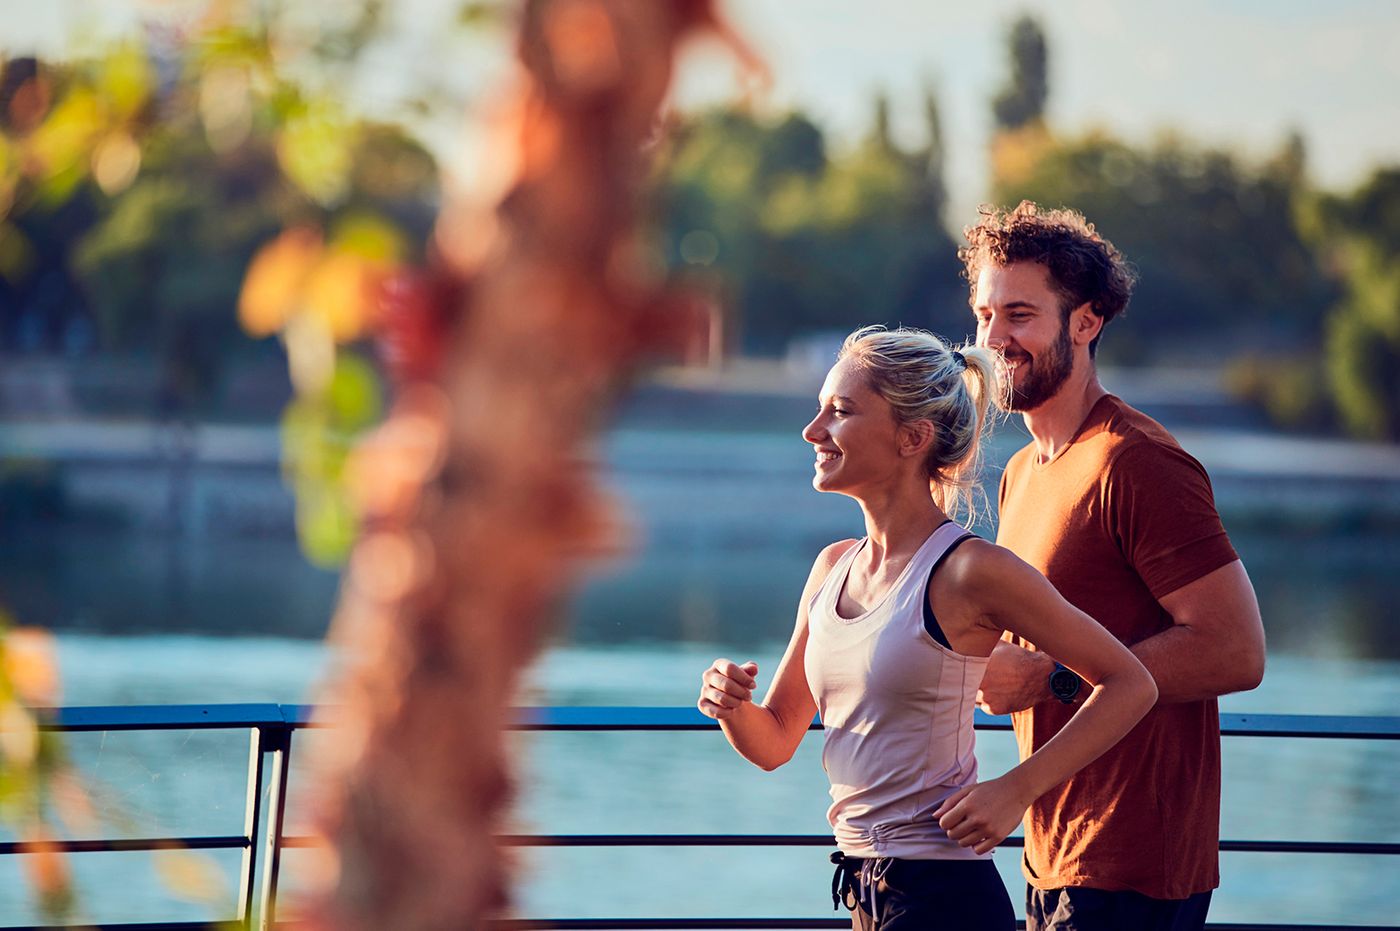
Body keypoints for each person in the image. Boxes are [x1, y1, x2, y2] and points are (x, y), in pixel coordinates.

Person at [697, 326, 1158, 931]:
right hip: (862, 886)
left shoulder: (971, 571)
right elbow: (777, 739)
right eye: (819, 411)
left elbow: (1131, 683)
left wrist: (1016, 790)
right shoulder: (832, 568)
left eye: (840, 412)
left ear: (912, 437)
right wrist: (732, 708)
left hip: (941, 894)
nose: (813, 432)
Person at [964, 201, 1267, 931]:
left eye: (1020, 314)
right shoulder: (1023, 474)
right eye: (984, 314)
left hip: (1135, 870)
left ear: (1086, 322)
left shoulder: (1138, 461)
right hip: (1049, 849)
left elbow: (1236, 649)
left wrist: (1047, 676)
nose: (994, 338)